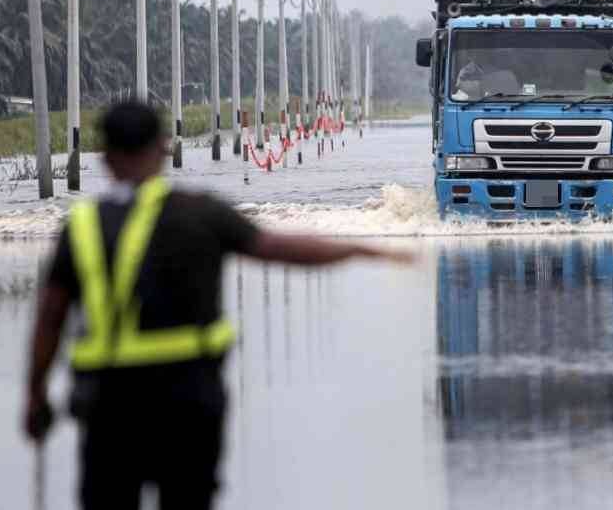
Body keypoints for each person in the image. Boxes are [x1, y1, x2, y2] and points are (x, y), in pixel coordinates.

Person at [23, 101, 412, 510]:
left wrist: (35, 395)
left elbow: (50, 318)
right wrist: (359, 250)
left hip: (109, 404)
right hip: (188, 401)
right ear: (163, 147)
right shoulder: (201, 213)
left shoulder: (81, 225)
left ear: (105, 156)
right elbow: (277, 248)